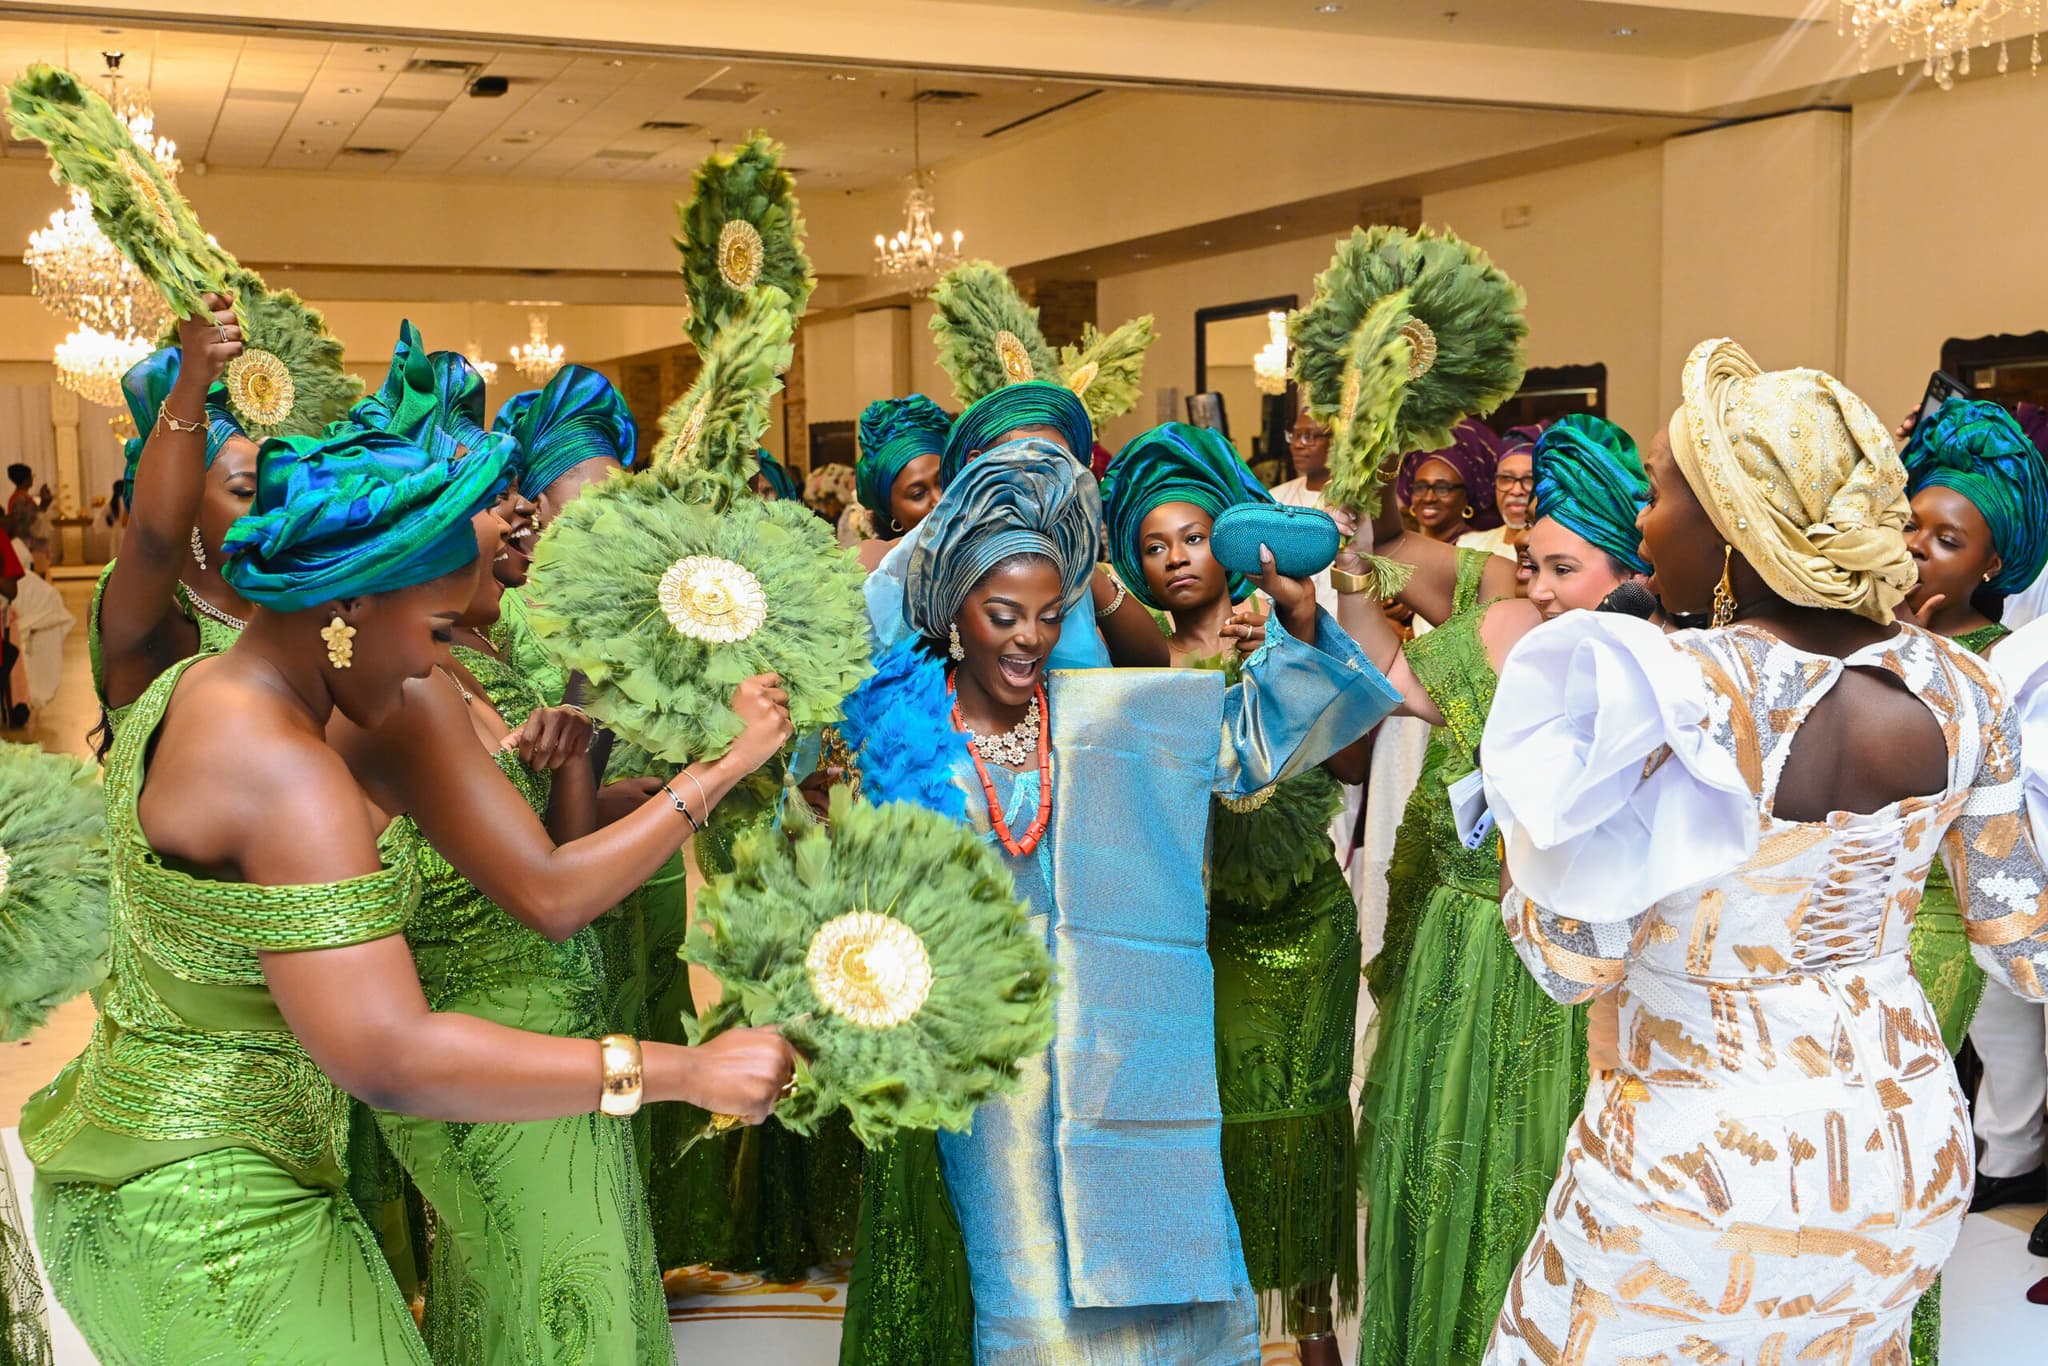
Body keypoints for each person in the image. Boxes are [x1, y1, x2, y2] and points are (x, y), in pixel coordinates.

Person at [20, 423, 799, 1364]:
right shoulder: (283, 772)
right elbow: (388, 1054)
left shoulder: (197, 688)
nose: (433, 665)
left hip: (163, 1177)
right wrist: (683, 1072)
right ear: (345, 607)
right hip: (208, 1213)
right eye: (432, 630)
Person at [1478, 338, 2048, 1363]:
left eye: (1661, 488)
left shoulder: (1669, 692)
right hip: (1895, 1145)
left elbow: (1570, 960)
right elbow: (2020, 942)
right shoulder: (1965, 688)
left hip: (1698, 1161)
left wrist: (1527, 823)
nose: (1643, 516)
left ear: (1732, 529)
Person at [837, 440, 1401, 1366]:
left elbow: (1244, 741)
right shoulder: (902, 736)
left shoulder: (1104, 711)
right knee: (1032, 1309)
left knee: (1168, 1300)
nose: (1028, 638)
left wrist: (1300, 625)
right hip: (996, 1081)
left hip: (1135, 1059)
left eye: (1049, 616)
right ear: (953, 616)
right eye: (1003, 615)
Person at [1102, 423, 1371, 1366]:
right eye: (1153, 544)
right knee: (1217, 1137)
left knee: (1301, 1131)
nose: (1175, 558)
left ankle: (1310, 1336)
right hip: (1203, 938)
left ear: (1226, 540)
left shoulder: (1281, 632)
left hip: (1306, 931)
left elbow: (1359, 754)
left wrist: (1295, 639)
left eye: (1190, 536)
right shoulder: (1136, 663)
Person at [1895, 396, 2048, 1346]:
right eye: (1912, 525)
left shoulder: (2009, 668)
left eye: (1945, 538)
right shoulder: (1873, 644)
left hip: (1965, 919)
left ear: (1993, 562)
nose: (1917, 548)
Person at [864, 381, 1168, 669]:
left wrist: (1084, 566)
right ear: (977, 465)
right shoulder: (918, 561)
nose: (1050, 483)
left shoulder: (1073, 562)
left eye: (1063, 466)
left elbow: (1153, 662)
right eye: (1031, 463)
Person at [90, 299, 258, 750]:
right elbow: (156, 540)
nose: (267, 508)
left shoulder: (281, 605)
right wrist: (193, 381)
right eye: (244, 491)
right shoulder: (161, 612)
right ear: (183, 500)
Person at [854, 394, 950, 571]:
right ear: (893, 514)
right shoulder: (880, 566)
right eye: (918, 494)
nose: (940, 499)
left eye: (943, 482)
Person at [1394, 419, 1505, 545]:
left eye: (1442, 488)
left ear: (1466, 496)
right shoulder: (1402, 546)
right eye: (1420, 487)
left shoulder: (1479, 549)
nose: (1429, 498)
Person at [1457, 421, 1542, 562]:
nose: (1516, 490)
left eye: (1529, 479)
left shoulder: (1560, 552)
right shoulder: (1471, 546)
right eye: (1506, 478)